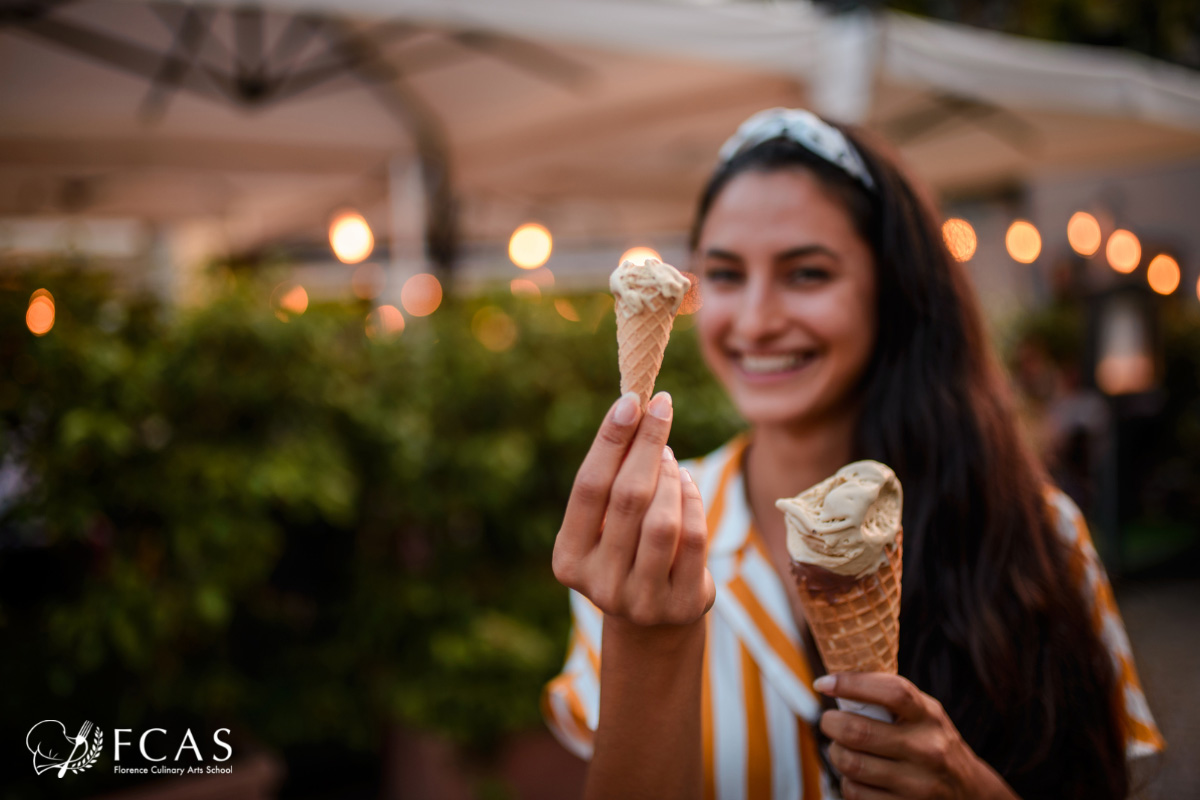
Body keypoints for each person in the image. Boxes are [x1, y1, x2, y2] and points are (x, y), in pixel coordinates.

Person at [543, 108, 1163, 800]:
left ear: (891, 290)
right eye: (723, 275)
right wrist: (646, 645)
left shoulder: (1042, 531)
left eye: (806, 274)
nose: (755, 320)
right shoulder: (641, 541)